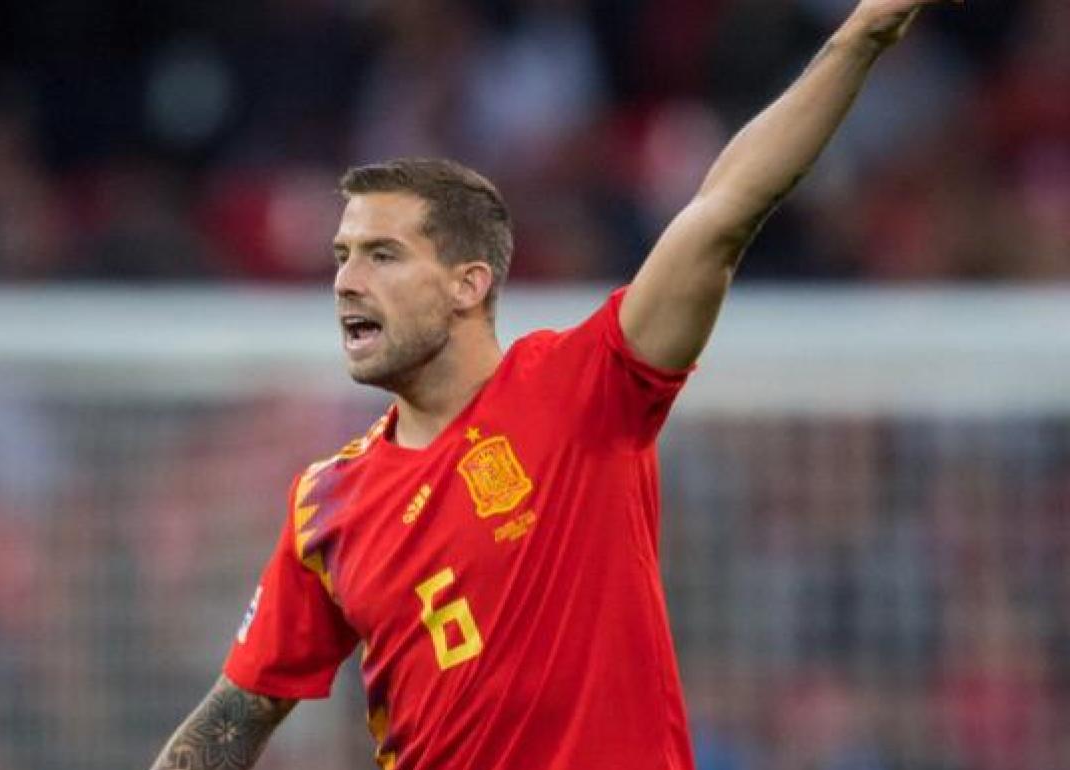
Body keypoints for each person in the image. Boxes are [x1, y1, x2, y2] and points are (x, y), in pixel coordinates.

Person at [150, 2, 962, 768]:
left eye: (381, 256)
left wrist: (862, 35)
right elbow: (241, 709)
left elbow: (722, 212)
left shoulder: (580, 387)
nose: (347, 283)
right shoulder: (324, 505)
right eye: (341, 258)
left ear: (470, 284)